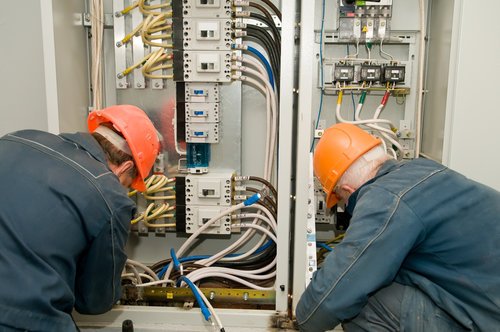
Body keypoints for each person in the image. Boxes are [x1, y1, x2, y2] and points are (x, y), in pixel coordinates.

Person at [296, 123, 500, 331]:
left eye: (341, 198)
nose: (345, 206)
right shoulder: (425, 169)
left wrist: (301, 321)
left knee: (363, 304)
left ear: (348, 189)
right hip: (487, 307)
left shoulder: (385, 198)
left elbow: (332, 296)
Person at [0, 105, 160, 331]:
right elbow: (94, 302)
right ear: (126, 167)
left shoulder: (17, 139)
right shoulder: (111, 197)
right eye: (126, 184)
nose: (122, 189)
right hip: (22, 319)